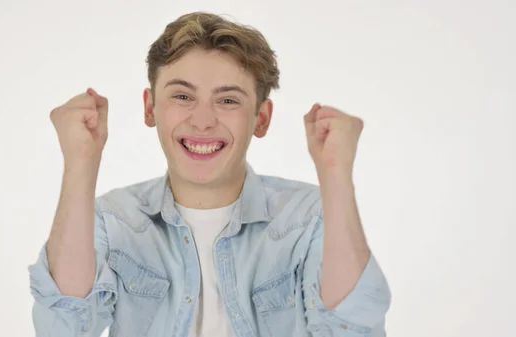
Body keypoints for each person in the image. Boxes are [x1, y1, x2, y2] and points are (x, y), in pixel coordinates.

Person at [28, 11, 391, 337]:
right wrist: (80, 163)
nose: (202, 121)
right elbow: (64, 329)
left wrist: (337, 175)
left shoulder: (310, 217)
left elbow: (353, 331)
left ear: (261, 118)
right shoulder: (112, 220)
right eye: (182, 96)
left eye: (228, 100)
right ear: (150, 107)